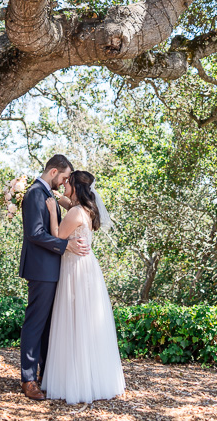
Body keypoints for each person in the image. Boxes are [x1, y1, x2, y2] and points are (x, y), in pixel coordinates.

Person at [41, 170, 125, 404]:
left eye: (67, 183)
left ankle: (74, 382)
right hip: (88, 268)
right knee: (85, 322)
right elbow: (69, 202)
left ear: (76, 187)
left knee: (73, 320)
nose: (64, 185)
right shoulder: (88, 210)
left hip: (74, 268)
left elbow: (57, 235)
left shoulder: (76, 212)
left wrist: (50, 211)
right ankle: (92, 378)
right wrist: (58, 197)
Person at [19, 154, 89, 401]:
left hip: (53, 269)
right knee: (36, 324)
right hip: (41, 270)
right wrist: (66, 246)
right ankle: (28, 379)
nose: (64, 182)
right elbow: (35, 235)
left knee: (49, 326)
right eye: (64, 177)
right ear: (53, 172)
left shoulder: (48, 194)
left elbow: (75, 212)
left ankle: (46, 375)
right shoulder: (35, 194)